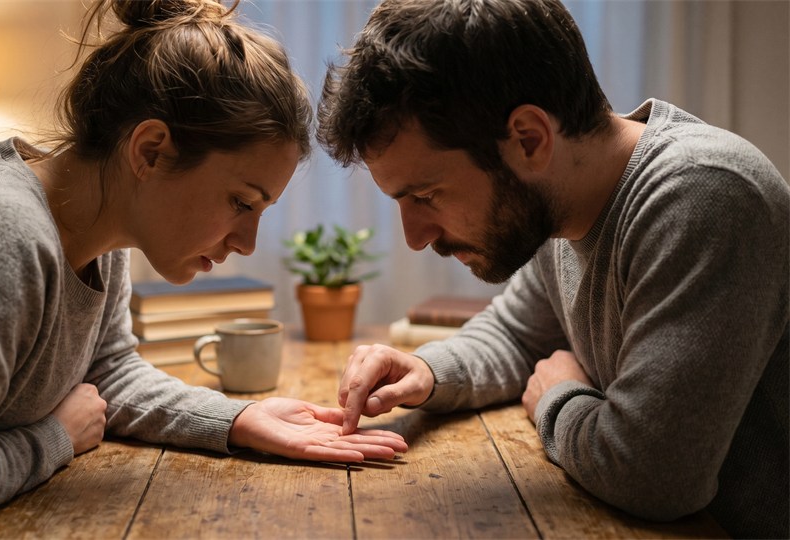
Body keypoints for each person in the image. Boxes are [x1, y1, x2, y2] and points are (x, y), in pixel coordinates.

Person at [0, 1, 408, 537]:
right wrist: (55, 437)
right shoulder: (1, 238)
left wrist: (238, 419)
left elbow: (107, 373)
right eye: (241, 202)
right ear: (150, 151)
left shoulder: (99, 230)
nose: (248, 242)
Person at [316, 0, 788, 538]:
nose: (415, 236)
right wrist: (426, 372)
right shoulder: (556, 209)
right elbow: (516, 336)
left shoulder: (705, 195)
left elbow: (654, 476)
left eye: (426, 194)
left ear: (528, 139)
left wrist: (558, 398)